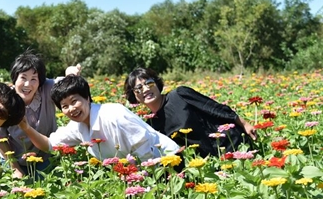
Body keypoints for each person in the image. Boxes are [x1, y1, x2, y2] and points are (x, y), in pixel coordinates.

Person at [18, 75, 179, 161]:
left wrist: (145, 182)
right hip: (134, 175)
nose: (71, 109)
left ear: (87, 98)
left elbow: (144, 146)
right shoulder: (77, 126)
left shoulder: (114, 115)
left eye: (74, 101)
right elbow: (50, 145)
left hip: (167, 165)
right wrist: (26, 127)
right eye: (65, 106)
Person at [124, 68, 257, 157]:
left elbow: (215, 108)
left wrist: (244, 123)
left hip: (230, 146)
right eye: (139, 88)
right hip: (206, 165)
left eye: (149, 83)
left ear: (157, 84)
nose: (146, 89)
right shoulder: (151, 125)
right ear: (134, 96)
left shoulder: (179, 95)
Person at [0, 51, 81, 178]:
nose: (28, 84)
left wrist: (70, 74)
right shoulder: (5, 100)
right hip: (14, 159)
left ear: (40, 82)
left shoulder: (47, 89)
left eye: (34, 79)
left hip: (45, 158)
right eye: (23, 78)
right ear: (14, 79)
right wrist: (15, 169)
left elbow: (66, 85)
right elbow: (0, 139)